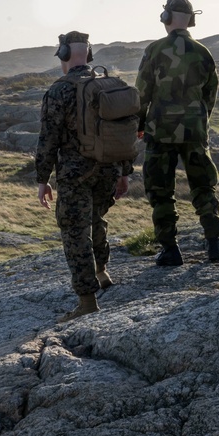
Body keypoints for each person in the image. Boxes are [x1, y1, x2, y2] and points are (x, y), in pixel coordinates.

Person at [36, 31, 132, 322]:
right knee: (97, 219)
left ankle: (87, 301)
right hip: (110, 168)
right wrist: (125, 172)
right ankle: (102, 272)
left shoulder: (58, 90)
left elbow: (48, 139)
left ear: (64, 54)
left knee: (75, 232)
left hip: (75, 173)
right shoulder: (109, 86)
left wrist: (43, 179)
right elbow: (126, 132)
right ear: (89, 54)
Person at [136, 0, 219, 266]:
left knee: (161, 189)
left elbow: (142, 93)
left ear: (166, 17)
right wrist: (200, 121)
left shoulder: (154, 50)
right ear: (191, 20)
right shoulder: (203, 52)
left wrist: (141, 124)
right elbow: (210, 94)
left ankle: (170, 249)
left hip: (161, 130)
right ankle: (214, 243)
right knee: (203, 185)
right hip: (194, 130)